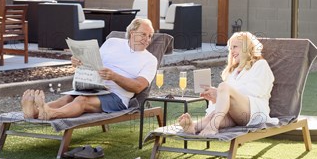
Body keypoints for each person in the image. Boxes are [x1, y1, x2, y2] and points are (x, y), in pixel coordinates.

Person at [21, 18, 157, 120]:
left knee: (81, 100)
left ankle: (50, 113)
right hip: (95, 87)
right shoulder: (112, 43)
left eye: (150, 36)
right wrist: (79, 61)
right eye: (143, 34)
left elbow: (139, 87)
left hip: (117, 97)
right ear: (132, 33)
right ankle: (34, 112)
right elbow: (94, 63)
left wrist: (114, 77)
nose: (147, 39)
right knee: (67, 99)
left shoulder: (150, 60)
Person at [178, 31, 278, 136]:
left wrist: (221, 92)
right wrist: (216, 98)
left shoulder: (260, 65)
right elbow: (226, 101)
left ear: (246, 47)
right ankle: (194, 126)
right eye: (230, 48)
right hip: (235, 115)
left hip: (253, 112)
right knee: (217, 113)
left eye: (235, 47)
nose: (232, 51)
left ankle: (213, 127)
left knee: (223, 87)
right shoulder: (233, 71)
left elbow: (256, 91)